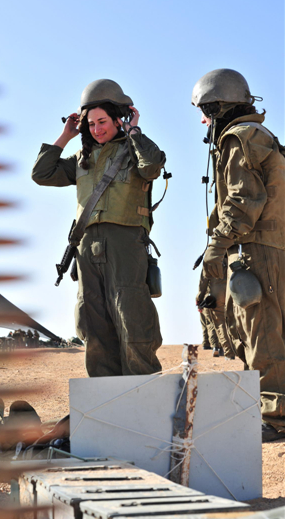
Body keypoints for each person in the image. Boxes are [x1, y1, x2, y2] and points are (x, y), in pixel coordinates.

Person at [32, 79, 166, 377]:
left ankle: (143, 391)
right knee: (92, 324)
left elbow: (152, 167)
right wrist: (66, 136)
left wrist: (134, 131)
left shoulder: (135, 151)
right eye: (89, 124)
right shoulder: (82, 159)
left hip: (125, 244)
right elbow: (41, 173)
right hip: (86, 248)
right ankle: (105, 397)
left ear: (119, 118)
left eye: (102, 121)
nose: (96, 129)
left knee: (132, 319)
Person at [192, 68, 285, 440]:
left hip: (255, 248)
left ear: (218, 108)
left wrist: (217, 246)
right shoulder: (262, 136)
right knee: (266, 329)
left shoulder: (238, 137)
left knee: (260, 333)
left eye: (205, 111)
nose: (203, 121)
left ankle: (274, 417)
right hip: (270, 247)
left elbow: (243, 199)